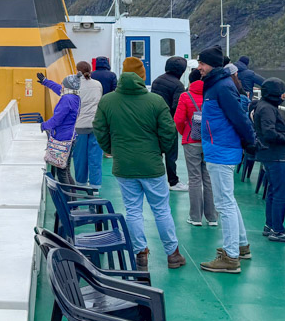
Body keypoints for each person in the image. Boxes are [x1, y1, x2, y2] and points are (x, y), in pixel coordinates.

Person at [93, 58, 185, 271]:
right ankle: (173, 254)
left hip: (124, 166)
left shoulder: (108, 101)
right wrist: (158, 150)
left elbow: (99, 128)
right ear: (142, 76)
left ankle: (140, 254)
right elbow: (169, 132)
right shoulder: (155, 101)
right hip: (151, 165)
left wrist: (112, 149)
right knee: (161, 210)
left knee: (133, 210)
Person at [195, 45, 255, 274]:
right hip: (220, 148)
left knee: (224, 204)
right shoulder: (218, 85)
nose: (199, 67)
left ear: (213, 65)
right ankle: (241, 246)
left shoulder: (221, 87)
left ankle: (230, 257)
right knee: (229, 201)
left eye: (202, 63)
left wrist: (250, 140)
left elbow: (238, 117)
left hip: (221, 150)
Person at [252, 78, 285, 243]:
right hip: (275, 155)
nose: (284, 96)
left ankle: (270, 225)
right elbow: (269, 133)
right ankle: (277, 230)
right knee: (281, 192)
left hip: (270, 154)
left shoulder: (264, 107)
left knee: (273, 190)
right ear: (274, 94)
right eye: (281, 93)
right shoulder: (268, 109)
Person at [174, 69, 218, 227]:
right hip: (209, 142)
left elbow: (178, 119)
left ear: (190, 81)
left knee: (194, 179)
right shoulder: (212, 94)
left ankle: (195, 217)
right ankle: (212, 217)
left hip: (191, 141)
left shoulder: (186, 96)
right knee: (209, 179)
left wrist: (185, 132)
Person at [150, 56, 188, 191]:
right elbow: (177, 106)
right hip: (168, 124)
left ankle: (156, 180)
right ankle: (173, 181)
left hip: (154, 122)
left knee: (156, 151)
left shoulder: (157, 80)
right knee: (171, 154)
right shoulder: (178, 85)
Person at [38, 73, 81, 184]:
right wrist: (45, 81)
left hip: (63, 139)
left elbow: (57, 119)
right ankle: (72, 197)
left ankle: (67, 199)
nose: (61, 85)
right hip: (70, 136)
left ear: (67, 86)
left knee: (62, 172)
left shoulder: (66, 99)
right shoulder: (74, 96)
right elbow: (59, 89)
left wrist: (44, 125)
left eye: (63, 84)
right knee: (65, 169)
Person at [69, 61, 104, 187]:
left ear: (77, 71)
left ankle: (81, 183)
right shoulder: (98, 84)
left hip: (80, 126)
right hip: (96, 125)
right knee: (95, 157)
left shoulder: (74, 86)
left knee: (80, 158)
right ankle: (95, 185)